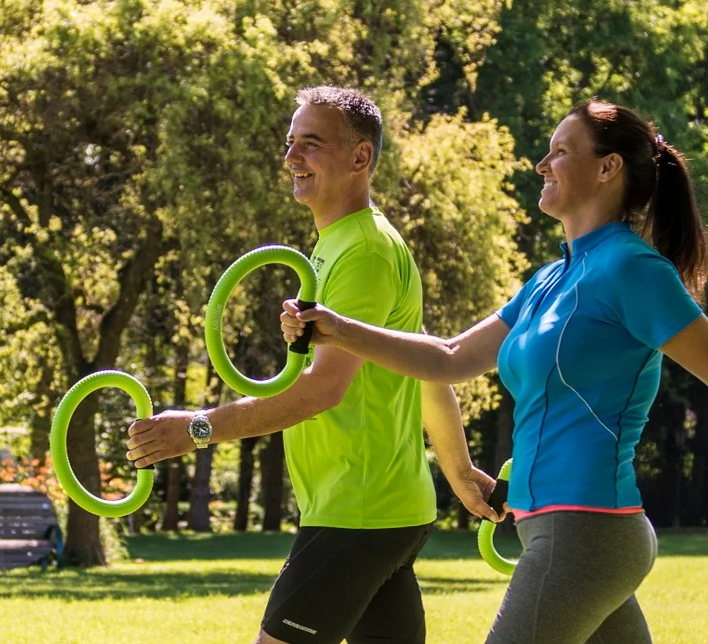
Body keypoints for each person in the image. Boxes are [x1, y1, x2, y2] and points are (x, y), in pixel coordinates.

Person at [278, 100, 708, 644]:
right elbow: (448, 358)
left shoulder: (633, 270)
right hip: (558, 532)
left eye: (560, 151)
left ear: (608, 168)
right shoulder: (548, 281)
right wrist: (334, 326)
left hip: (585, 533)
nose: (542, 163)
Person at [123, 86, 497, 644]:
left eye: (311, 144)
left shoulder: (363, 252)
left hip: (357, 512)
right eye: (290, 142)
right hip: (382, 510)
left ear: (359, 158)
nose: (292, 157)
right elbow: (425, 366)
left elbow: (321, 392)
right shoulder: (341, 245)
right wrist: (460, 471)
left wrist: (197, 429)